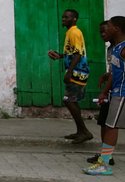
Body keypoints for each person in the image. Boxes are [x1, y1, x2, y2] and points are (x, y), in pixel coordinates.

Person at [83, 16, 125, 176]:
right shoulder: (116, 48)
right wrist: (104, 91)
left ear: (117, 29)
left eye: (109, 26)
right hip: (116, 92)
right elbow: (114, 74)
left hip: (122, 93)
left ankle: (105, 164)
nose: (105, 30)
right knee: (109, 126)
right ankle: (105, 161)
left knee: (111, 126)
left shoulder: (123, 48)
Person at [47, 9, 92, 144]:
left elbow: (78, 54)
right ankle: (81, 131)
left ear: (74, 19)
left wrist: (69, 72)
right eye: (63, 17)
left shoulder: (74, 32)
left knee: (69, 100)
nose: (63, 19)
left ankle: (85, 132)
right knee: (71, 101)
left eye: (66, 17)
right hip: (76, 71)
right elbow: (73, 53)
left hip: (78, 72)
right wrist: (60, 55)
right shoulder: (70, 32)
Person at [87, 21, 115, 165]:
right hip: (113, 90)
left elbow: (118, 73)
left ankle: (106, 157)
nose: (102, 34)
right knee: (105, 123)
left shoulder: (120, 48)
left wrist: (104, 92)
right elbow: (113, 70)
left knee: (110, 125)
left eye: (105, 31)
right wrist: (107, 74)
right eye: (100, 32)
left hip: (116, 91)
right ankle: (106, 155)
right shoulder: (111, 48)